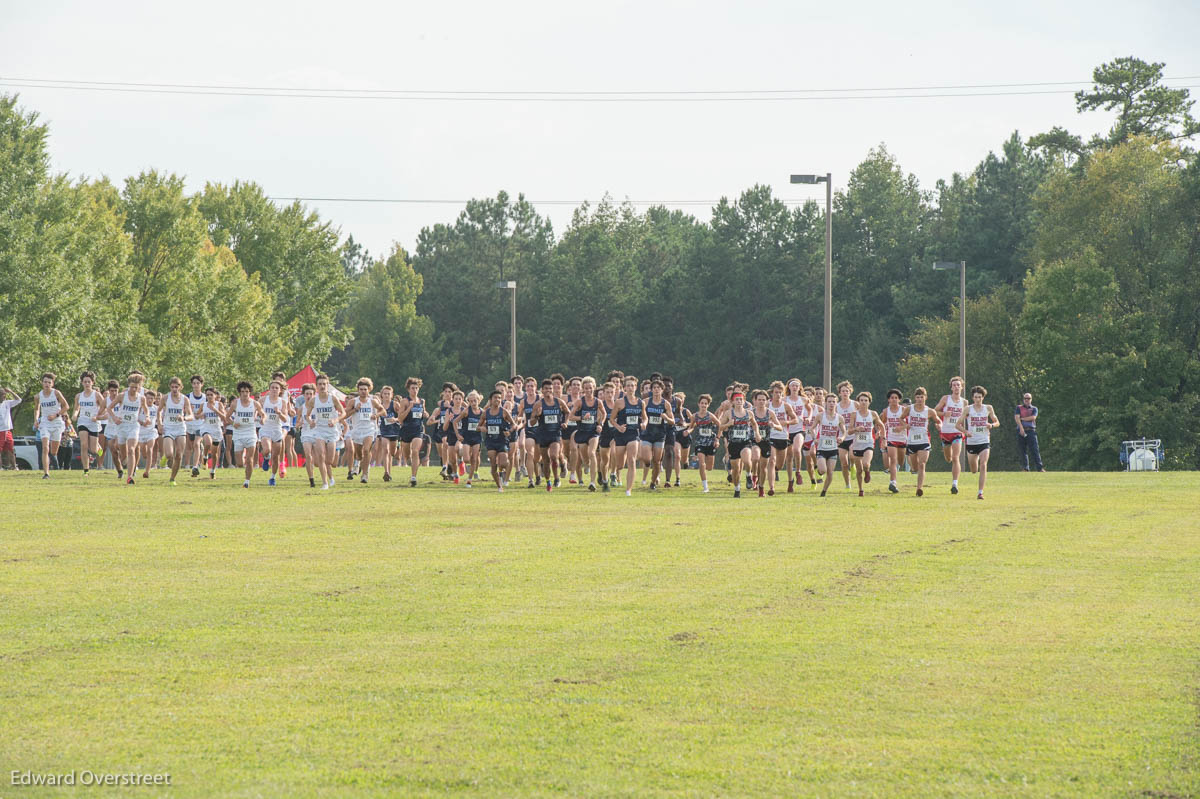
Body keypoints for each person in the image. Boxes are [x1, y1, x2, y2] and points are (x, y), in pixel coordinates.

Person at [958, 385, 1000, 500]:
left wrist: (991, 425)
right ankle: (974, 462)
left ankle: (980, 492)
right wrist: (966, 432)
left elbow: (997, 422)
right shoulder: (968, 409)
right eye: (976, 397)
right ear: (972, 398)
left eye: (980, 397)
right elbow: (958, 425)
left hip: (984, 440)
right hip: (972, 442)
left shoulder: (988, 408)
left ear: (983, 398)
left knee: (983, 465)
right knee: (973, 469)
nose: (978, 399)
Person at [304, 374, 343, 490]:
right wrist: (310, 421)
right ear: (316, 386)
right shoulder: (313, 401)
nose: (322, 386)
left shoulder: (333, 398)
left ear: (328, 385)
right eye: (320, 384)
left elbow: (343, 413)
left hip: (331, 430)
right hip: (319, 430)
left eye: (324, 384)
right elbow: (307, 415)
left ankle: (330, 478)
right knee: (320, 456)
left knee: (330, 461)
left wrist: (335, 420)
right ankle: (325, 483)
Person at [342, 377, 384, 484]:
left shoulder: (373, 401)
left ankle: (365, 474)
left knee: (366, 450)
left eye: (365, 389)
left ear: (369, 389)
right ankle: (358, 464)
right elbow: (345, 415)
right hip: (357, 430)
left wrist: (376, 415)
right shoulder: (353, 401)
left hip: (369, 429)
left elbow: (383, 411)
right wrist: (355, 409)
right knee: (359, 454)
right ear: (358, 390)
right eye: (361, 389)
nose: (363, 391)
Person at [568, 376, 605, 492]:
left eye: (590, 388)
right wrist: (581, 417)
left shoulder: (598, 402)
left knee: (592, 453)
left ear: (594, 388)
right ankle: (587, 465)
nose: (588, 390)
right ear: (583, 390)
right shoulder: (580, 402)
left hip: (593, 432)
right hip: (582, 432)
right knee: (585, 458)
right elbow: (570, 416)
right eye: (586, 388)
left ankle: (593, 482)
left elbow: (603, 414)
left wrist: (600, 424)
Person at [225, 381, 264, 488]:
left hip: (251, 432)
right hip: (238, 433)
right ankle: (244, 469)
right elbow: (226, 417)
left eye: (247, 391)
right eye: (242, 392)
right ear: (239, 393)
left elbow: (263, 414)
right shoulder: (235, 403)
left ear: (250, 392)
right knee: (240, 462)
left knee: (249, 459)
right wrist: (233, 423)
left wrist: (263, 420)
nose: (245, 394)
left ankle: (247, 481)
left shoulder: (255, 403)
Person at [33, 373, 71, 479]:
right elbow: (37, 409)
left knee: (54, 452)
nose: (47, 384)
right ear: (42, 383)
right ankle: (46, 473)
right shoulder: (38, 396)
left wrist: (56, 415)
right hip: (45, 422)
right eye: (45, 382)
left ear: (52, 384)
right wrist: (36, 420)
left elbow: (66, 406)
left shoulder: (56, 393)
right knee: (45, 448)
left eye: (49, 382)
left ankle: (52, 458)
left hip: (57, 422)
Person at [905, 387, 941, 497]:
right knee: (915, 467)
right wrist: (905, 425)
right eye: (917, 397)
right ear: (915, 398)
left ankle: (919, 488)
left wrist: (939, 425)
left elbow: (938, 421)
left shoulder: (930, 411)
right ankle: (913, 469)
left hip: (924, 441)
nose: (920, 399)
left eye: (922, 397)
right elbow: (901, 418)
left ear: (925, 397)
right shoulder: (909, 409)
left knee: (922, 464)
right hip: (912, 441)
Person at [159, 376, 194, 486]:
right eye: (172, 387)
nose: (174, 389)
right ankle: (165, 457)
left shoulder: (185, 399)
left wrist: (184, 418)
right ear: (170, 387)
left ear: (181, 387)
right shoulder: (165, 398)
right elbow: (159, 411)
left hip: (180, 428)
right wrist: (159, 423)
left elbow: (191, 415)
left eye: (176, 387)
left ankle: (172, 478)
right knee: (170, 454)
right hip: (168, 428)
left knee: (179, 455)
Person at [935, 376, 967, 495]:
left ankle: (955, 484)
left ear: (962, 387)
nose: (956, 387)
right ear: (951, 387)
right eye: (954, 385)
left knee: (955, 458)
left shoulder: (965, 402)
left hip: (957, 432)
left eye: (958, 385)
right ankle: (945, 447)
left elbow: (967, 417)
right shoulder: (945, 399)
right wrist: (944, 413)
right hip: (945, 432)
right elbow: (935, 411)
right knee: (948, 458)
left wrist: (966, 429)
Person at [483, 389, 519, 492]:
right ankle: (499, 486)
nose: (497, 400)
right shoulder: (486, 413)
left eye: (499, 398)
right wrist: (483, 429)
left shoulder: (504, 412)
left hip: (502, 441)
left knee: (503, 463)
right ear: (490, 400)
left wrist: (510, 431)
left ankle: (503, 471)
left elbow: (514, 425)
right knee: (493, 465)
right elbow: (478, 426)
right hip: (490, 441)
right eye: (495, 398)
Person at [849, 392, 883, 497]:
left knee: (866, 464)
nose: (863, 402)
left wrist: (880, 434)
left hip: (869, 442)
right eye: (861, 400)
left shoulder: (873, 414)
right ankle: (861, 489)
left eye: (866, 400)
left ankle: (867, 471)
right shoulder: (854, 414)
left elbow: (881, 426)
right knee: (859, 470)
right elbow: (849, 431)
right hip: (857, 444)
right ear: (858, 402)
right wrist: (856, 429)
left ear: (869, 402)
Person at [814, 393, 848, 498]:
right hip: (821, 448)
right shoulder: (820, 416)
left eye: (833, 402)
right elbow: (811, 428)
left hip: (833, 448)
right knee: (823, 470)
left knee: (830, 473)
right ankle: (818, 470)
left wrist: (842, 438)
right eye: (829, 402)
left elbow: (844, 431)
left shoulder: (840, 418)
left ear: (836, 404)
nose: (831, 404)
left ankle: (824, 491)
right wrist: (815, 438)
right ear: (825, 403)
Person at [259, 379, 292, 486]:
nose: (274, 389)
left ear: (280, 390)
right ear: (269, 389)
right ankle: (266, 457)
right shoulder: (263, 400)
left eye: (276, 388)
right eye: (272, 387)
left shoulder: (283, 402)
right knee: (267, 449)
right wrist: (260, 417)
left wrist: (278, 412)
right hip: (265, 428)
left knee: (276, 457)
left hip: (277, 429)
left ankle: (272, 477)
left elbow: (284, 419)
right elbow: (256, 411)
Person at [394, 377, 425, 487]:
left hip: (418, 430)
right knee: (407, 455)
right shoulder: (405, 401)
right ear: (408, 389)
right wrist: (409, 408)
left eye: (416, 388)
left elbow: (422, 414)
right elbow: (400, 419)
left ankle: (413, 477)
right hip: (406, 430)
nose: (415, 390)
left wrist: (425, 414)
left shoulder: (422, 401)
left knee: (415, 451)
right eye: (412, 388)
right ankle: (413, 463)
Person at [73, 371, 103, 475]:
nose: (86, 384)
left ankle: (99, 448)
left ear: (92, 383)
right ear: (82, 383)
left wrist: (98, 416)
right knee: (84, 445)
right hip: (83, 421)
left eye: (88, 382)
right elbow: (76, 408)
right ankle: (86, 470)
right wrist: (75, 415)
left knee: (93, 450)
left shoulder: (97, 395)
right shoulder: (78, 396)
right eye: (85, 382)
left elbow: (104, 407)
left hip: (93, 422)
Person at [687, 393, 719, 492]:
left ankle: (706, 472)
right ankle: (705, 487)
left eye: (705, 403)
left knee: (709, 467)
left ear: (708, 405)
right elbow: (691, 427)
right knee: (702, 464)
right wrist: (687, 431)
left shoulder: (710, 416)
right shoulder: (695, 416)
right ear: (698, 404)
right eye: (702, 403)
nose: (703, 405)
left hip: (710, 442)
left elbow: (720, 425)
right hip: (700, 442)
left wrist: (717, 439)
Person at [881, 389, 908, 494]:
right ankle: (893, 483)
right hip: (891, 438)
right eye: (892, 398)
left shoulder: (904, 410)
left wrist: (902, 427)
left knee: (900, 461)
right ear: (888, 400)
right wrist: (881, 434)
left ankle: (897, 470)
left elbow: (910, 423)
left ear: (899, 400)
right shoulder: (886, 411)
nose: (894, 400)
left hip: (902, 439)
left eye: (896, 398)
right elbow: (882, 423)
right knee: (893, 459)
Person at [1014, 392, 1045, 472]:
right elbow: (1017, 418)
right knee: (1022, 450)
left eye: (1028, 398)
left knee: (1035, 450)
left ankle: (1040, 468)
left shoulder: (1034, 408)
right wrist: (1021, 428)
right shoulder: (1019, 407)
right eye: (1025, 398)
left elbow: (1033, 417)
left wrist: (1023, 418)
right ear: (1023, 399)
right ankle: (1025, 468)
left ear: (1031, 399)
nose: (1027, 400)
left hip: (1031, 431)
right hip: (1021, 430)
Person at [185, 375, 206, 477]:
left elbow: (208, 411)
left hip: (200, 425)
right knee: (190, 446)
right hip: (189, 425)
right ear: (192, 385)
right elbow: (182, 410)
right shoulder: (187, 397)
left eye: (198, 383)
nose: (196, 385)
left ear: (202, 384)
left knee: (196, 444)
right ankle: (188, 464)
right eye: (194, 383)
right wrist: (188, 409)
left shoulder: (205, 398)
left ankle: (195, 466)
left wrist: (201, 415)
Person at [0, 386, 22, 470]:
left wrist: (11, 391)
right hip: (0, 431)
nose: (4, 397)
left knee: (11, 449)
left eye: (5, 395)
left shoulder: (7, 403)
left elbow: (19, 400)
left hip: (7, 430)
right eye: (2, 395)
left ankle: (14, 467)